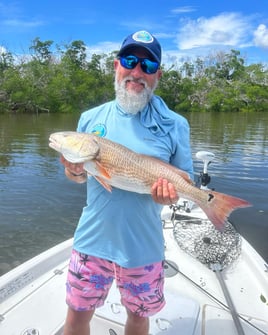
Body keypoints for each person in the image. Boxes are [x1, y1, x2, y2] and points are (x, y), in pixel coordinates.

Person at [61, 30, 194, 335]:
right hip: (92, 242)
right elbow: (78, 177)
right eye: (130, 61)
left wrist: (170, 196)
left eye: (147, 66)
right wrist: (76, 170)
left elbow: (185, 182)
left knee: (138, 317)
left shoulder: (175, 125)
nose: (137, 72)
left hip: (143, 247)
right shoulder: (90, 119)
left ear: (157, 75)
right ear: (116, 65)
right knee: (76, 317)